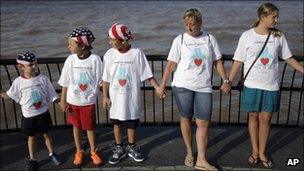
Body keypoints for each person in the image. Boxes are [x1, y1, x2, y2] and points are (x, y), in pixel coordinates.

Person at [228, 3, 304, 169]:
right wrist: (228, 81)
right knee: (253, 117)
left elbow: (289, 58)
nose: (277, 20)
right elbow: (238, 60)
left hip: (271, 85)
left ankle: (262, 152)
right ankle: (255, 151)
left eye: (277, 17)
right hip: (251, 84)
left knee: (266, 119)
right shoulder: (246, 36)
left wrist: (302, 70)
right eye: (274, 17)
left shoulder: (278, 36)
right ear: (263, 17)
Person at [158, 8, 230, 171]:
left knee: (203, 121)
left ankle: (202, 159)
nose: (189, 27)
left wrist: (225, 80)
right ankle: (190, 153)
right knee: (186, 118)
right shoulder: (180, 39)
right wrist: (162, 86)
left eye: (192, 24)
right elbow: (170, 64)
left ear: (200, 23)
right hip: (182, 85)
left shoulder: (210, 39)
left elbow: (217, 62)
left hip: (204, 86)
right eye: (186, 24)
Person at [102, 23, 163, 165]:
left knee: (131, 124)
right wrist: (105, 95)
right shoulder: (109, 54)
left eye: (112, 39)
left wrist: (157, 87)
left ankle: (131, 146)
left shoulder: (137, 53)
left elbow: (147, 73)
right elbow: (105, 78)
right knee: (116, 123)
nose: (110, 42)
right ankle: (118, 148)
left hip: (131, 98)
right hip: (115, 99)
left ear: (123, 40)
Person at [0, 52, 62, 171]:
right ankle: (32, 159)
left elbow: (52, 94)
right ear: (21, 67)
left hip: (43, 113)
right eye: (30, 65)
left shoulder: (43, 78)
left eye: (35, 63)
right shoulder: (18, 82)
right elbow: (10, 94)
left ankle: (52, 153)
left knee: (47, 135)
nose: (34, 66)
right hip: (28, 116)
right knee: (31, 138)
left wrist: (60, 103)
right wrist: (1, 93)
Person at [58, 27, 103, 166]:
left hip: (88, 102)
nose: (69, 46)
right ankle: (79, 151)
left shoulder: (95, 60)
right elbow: (65, 82)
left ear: (82, 45)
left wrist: (106, 96)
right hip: (72, 102)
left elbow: (101, 81)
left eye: (71, 44)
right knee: (76, 127)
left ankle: (94, 151)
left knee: (90, 128)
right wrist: (62, 100)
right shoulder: (70, 60)